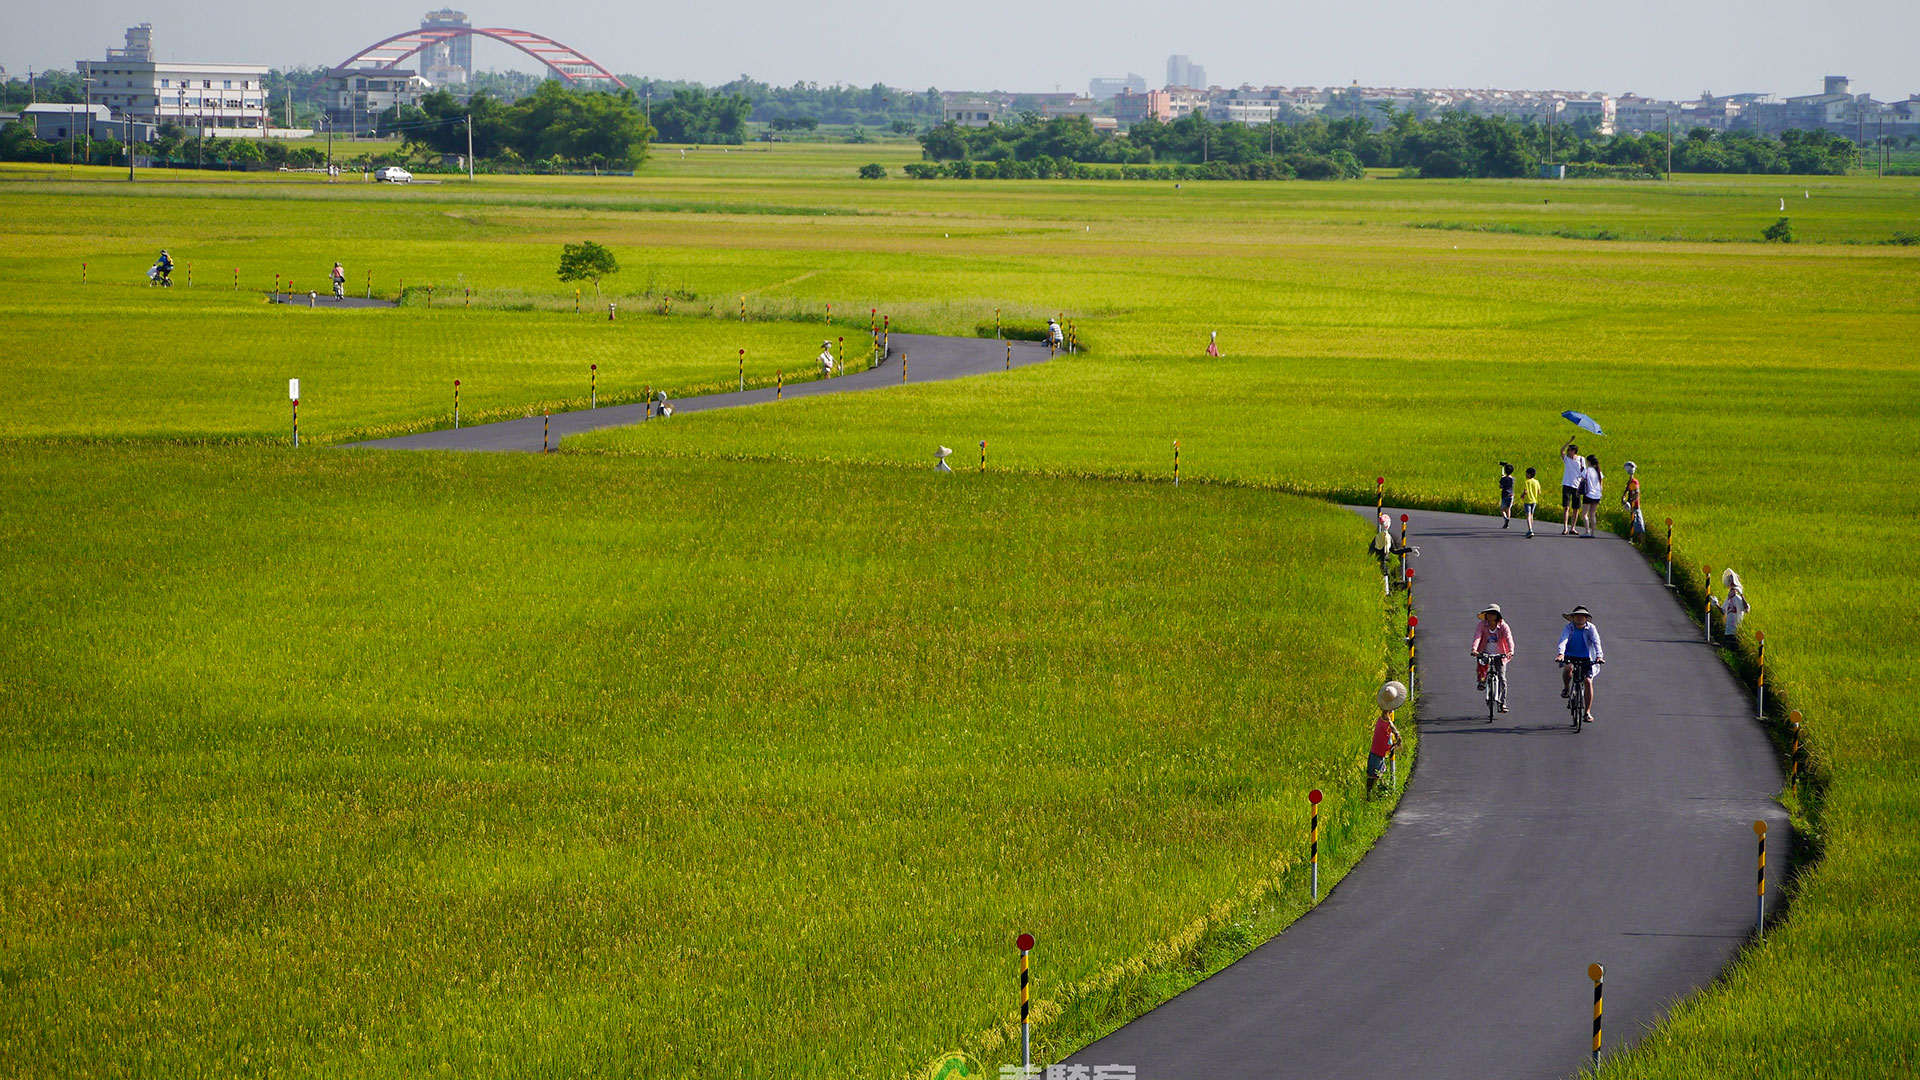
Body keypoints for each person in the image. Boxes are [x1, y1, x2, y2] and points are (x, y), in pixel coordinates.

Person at [1556, 605, 1605, 721]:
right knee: (1568, 669)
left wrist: (1599, 656)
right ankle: (1566, 688)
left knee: (1588, 681)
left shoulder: (1591, 629)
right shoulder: (1569, 628)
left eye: (1582, 616)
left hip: (1586, 657)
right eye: (1577, 616)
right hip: (1570, 655)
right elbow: (1563, 640)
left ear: (1586, 618)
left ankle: (1587, 712)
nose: (1579, 618)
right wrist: (1561, 653)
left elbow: (1596, 642)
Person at [1471, 603, 1516, 712]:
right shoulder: (1481, 625)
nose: (1490, 616)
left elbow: (1509, 638)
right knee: (1481, 662)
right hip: (1485, 651)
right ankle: (1482, 681)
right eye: (1488, 614)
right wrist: (1474, 649)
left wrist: (1510, 651)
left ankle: (1502, 703)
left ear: (1497, 616)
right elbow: (1477, 636)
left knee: (1502, 678)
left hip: (1500, 655)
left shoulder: (1503, 626)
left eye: (1492, 614)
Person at [1366, 681, 1407, 794]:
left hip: (1376, 751)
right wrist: (1396, 744)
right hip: (1378, 753)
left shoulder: (1381, 719)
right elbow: (1396, 735)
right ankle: (1372, 795)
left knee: (1373, 776)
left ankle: (1371, 795)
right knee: (1375, 776)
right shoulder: (1387, 722)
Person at [1560, 440, 1584, 535]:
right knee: (1566, 507)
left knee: (1576, 508)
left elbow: (1584, 471)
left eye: (1569, 450)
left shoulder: (1581, 459)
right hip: (1566, 484)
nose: (1568, 451)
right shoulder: (1566, 459)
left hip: (1577, 485)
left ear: (1573, 451)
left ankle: (1573, 528)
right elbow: (1561, 450)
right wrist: (1569, 441)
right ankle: (1565, 528)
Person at [1722, 569, 1751, 645]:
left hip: (1736, 632)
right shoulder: (1728, 599)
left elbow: (1747, 609)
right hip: (1727, 631)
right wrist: (1716, 604)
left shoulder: (1738, 598)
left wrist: (1741, 594)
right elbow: (1723, 611)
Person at [1581, 455, 1605, 537]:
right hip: (1597, 495)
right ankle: (1593, 533)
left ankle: (1587, 531)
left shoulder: (1587, 470)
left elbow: (1582, 481)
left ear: (1589, 462)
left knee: (1584, 514)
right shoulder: (1599, 472)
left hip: (1588, 494)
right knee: (1592, 514)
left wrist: (1578, 491)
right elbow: (1601, 485)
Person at [1621, 461, 1644, 541]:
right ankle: (1633, 538)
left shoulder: (1634, 482)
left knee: (1638, 524)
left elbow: (1636, 493)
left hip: (1635, 505)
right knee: (1634, 522)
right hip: (1631, 504)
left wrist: (1632, 501)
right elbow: (1626, 491)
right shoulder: (1630, 482)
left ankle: (1640, 541)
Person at [1522, 466, 1542, 539]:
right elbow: (1539, 492)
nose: (1525, 475)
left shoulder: (1526, 482)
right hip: (1534, 500)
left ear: (1529, 475)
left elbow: (1525, 492)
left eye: (1526, 474)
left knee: (1528, 515)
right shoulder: (1536, 482)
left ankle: (1530, 529)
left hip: (1528, 500)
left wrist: (1522, 495)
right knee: (1531, 515)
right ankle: (1531, 528)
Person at [1498, 462, 1516, 528]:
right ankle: (1507, 521)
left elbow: (1500, 486)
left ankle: (1505, 518)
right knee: (1508, 509)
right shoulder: (1513, 479)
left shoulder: (1503, 479)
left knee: (1502, 509)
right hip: (1511, 495)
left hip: (1504, 495)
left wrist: (1502, 478)